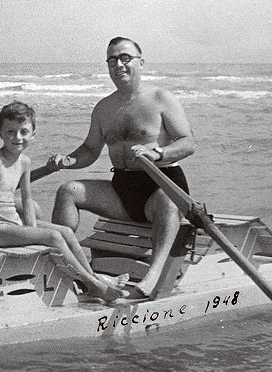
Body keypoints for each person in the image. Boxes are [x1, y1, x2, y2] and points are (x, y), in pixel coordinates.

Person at [47, 37, 196, 299]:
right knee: (68, 191)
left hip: (162, 185)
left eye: (125, 57)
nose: (119, 64)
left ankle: (153, 277)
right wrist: (67, 160)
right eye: (112, 59)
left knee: (168, 202)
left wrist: (158, 152)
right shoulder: (104, 108)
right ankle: (69, 267)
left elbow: (188, 143)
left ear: (141, 62)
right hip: (123, 189)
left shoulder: (161, 98)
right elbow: (90, 150)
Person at [0, 101, 128, 302]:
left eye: (23, 132)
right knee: (54, 237)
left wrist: (32, 230)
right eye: (10, 132)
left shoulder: (24, 162)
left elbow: (27, 200)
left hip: (15, 223)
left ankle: (93, 278)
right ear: (0, 133)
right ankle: (93, 284)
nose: (17, 137)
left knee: (66, 232)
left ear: (33, 135)